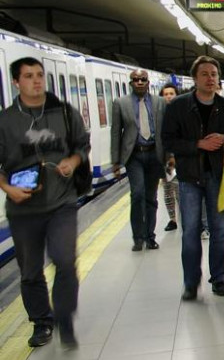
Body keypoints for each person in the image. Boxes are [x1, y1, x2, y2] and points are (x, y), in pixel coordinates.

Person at [0, 58, 89, 349]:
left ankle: (64, 317)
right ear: (16, 82)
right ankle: (41, 321)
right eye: (28, 76)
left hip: (61, 203)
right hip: (23, 209)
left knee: (65, 261)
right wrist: (7, 189)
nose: (36, 81)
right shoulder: (5, 120)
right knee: (30, 270)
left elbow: (81, 145)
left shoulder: (64, 112)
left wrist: (72, 162)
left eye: (40, 75)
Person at [162, 55, 224, 300]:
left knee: (219, 229)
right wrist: (198, 144)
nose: (210, 78)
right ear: (195, 78)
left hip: (218, 176)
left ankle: (218, 279)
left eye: (214, 74)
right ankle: (190, 283)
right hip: (189, 178)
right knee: (191, 231)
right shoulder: (179, 106)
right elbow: (169, 140)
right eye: (205, 74)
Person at [110, 69, 168, 251]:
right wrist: (115, 161)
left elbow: (165, 131)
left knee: (151, 197)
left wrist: (170, 155)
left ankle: (150, 236)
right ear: (131, 83)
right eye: (136, 80)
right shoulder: (120, 103)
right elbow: (115, 133)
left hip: (154, 154)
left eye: (143, 79)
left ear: (148, 82)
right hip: (134, 155)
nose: (140, 82)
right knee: (138, 194)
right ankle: (138, 237)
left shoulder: (159, 103)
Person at [159, 84, 180, 232]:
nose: (168, 96)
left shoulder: (182, 112)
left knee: (180, 189)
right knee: (167, 190)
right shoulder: (158, 114)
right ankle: (172, 219)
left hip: (180, 156)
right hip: (164, 158)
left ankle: (185, 217)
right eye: (165, 94)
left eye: (171, 93)